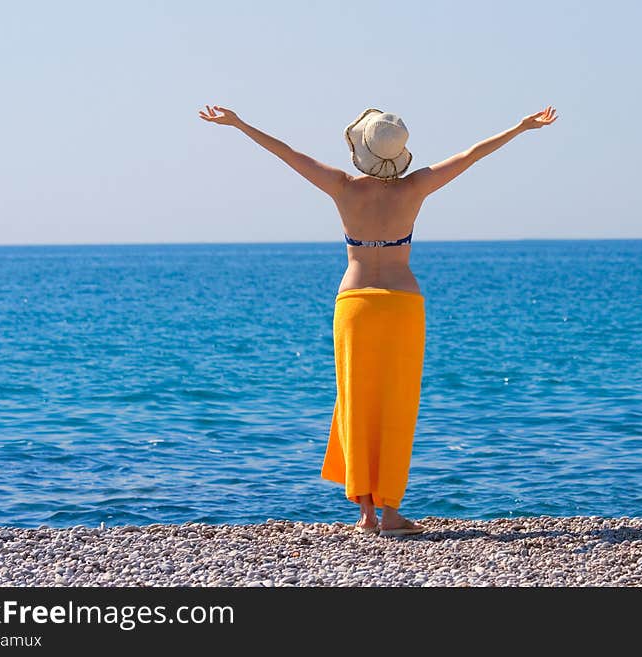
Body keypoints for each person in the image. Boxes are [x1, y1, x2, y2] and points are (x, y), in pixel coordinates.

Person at [198, 102, 558, 536]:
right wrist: (519, 127)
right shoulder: (417, 187)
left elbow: (287, 153)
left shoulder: (342, 187)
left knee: (356, 401)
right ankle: (390, 512)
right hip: (402, 304)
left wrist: (239, 124)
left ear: (360, 148)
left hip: (354, 305)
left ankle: (366, 514)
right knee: (395, 405)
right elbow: (472, 155)